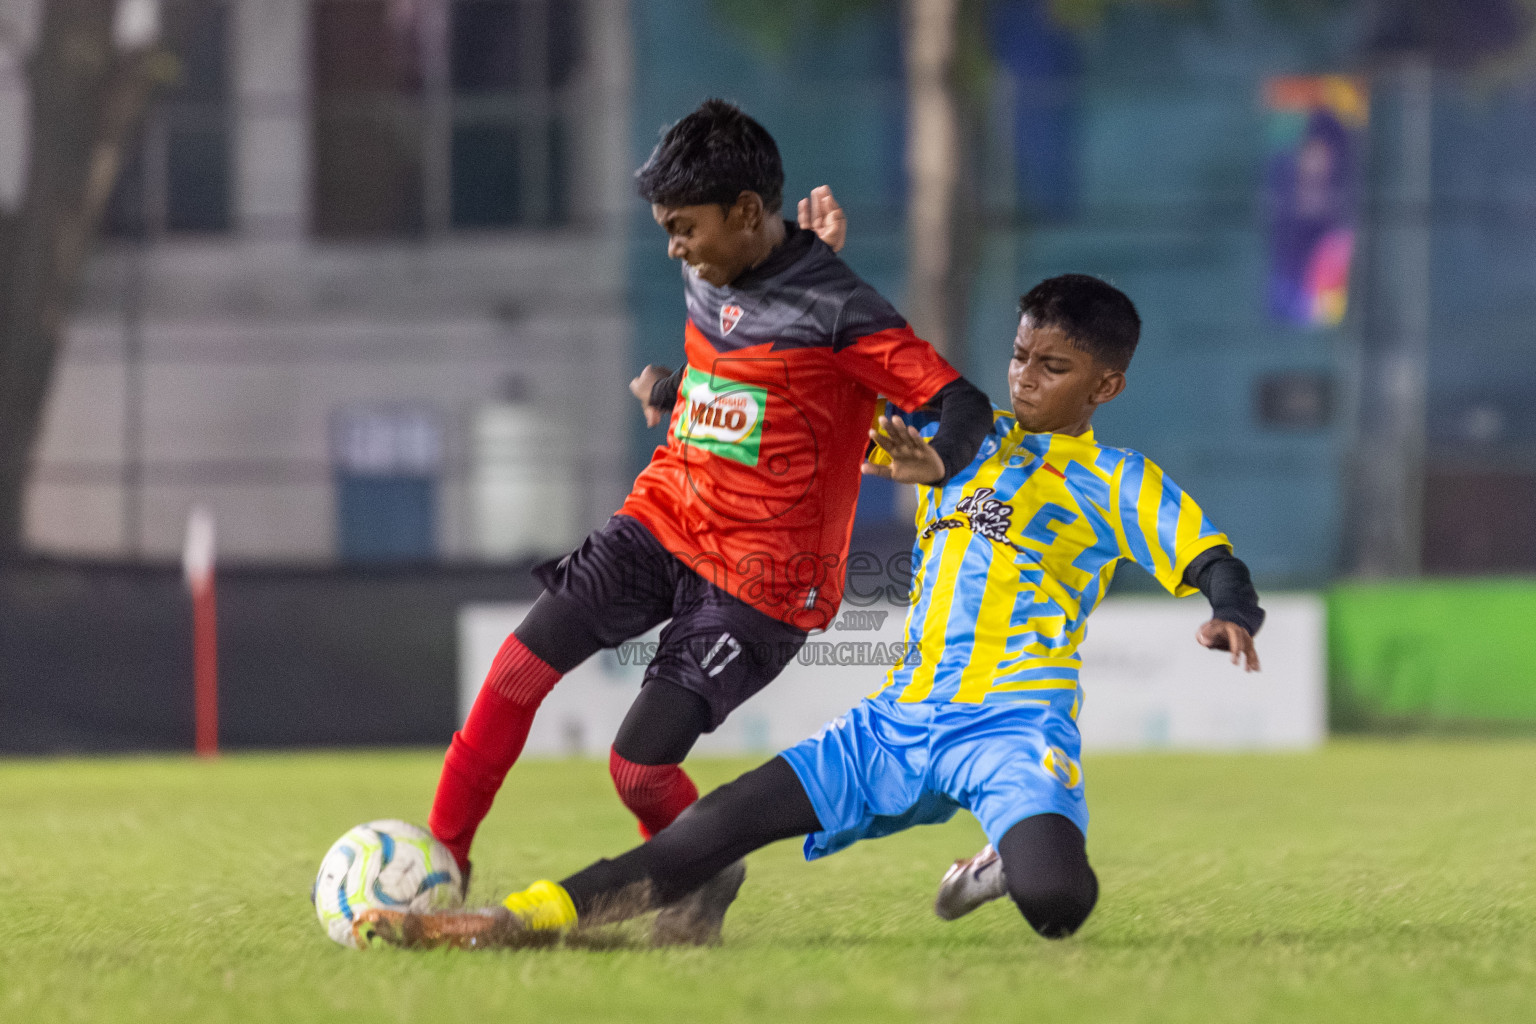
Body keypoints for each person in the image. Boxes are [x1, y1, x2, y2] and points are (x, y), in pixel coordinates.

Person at [360, 273, 1265, 949]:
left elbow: (1210, 557)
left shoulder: (1119, 481)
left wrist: (1234, 612)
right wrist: (682, 398)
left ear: (1104, 386)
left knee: (1058, 904)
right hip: (899, 720)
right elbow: (795, 420)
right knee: (712, 830)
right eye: (1021, 355)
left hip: (1012, 729)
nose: (1027, 378)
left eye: (1055, 366)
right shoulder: (966, 437)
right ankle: (504, 924)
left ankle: (999, 857)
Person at [427, 97, 995, 903]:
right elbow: (747, 368)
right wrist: (676, 387)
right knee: (515, 670)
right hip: (664, 517)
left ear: (747, 212)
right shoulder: (716, 265)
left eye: (684, 227)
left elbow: (960, 400)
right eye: (665, 227)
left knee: (636, 767)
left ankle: (703, 876)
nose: (675, 248)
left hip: (760, 578)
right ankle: (442, 858)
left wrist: (940, 460)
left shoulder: (842, 310)